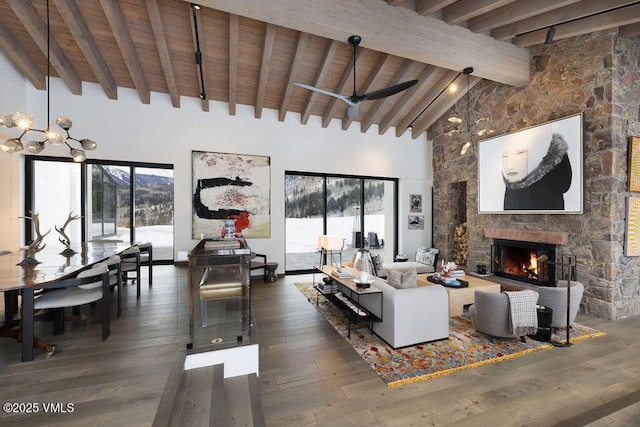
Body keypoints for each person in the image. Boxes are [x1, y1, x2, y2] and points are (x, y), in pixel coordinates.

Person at [502, 129, 572, 210]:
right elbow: (563, 184)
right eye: (505, 156)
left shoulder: (518, 154)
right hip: (544, 216)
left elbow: (563, 184)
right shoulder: (551, 151)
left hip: (536, 216)